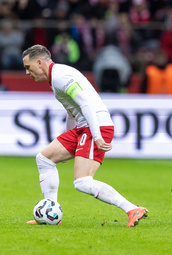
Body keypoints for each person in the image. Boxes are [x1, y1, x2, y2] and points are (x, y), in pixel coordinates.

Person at [22, 45, 148, 227]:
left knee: (82, 182)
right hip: (84, 127)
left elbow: (86, 105)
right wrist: (67, 143)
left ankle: (132, 209)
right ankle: (50, 212)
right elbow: (72, 111)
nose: (27, 72)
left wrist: (96, 135)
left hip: (95, 126)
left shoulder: (60, 76)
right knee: (44, 159)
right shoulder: (55, 77)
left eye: (28, 67)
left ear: (39, 62)